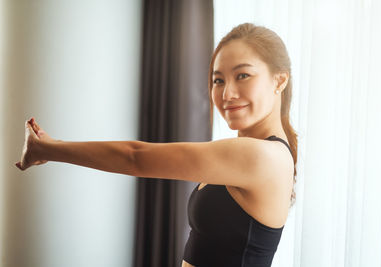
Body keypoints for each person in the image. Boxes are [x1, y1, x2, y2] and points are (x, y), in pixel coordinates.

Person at [16, 23, 298, 267]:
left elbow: (135, 158)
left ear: (279, 80)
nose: (227, 93)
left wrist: (47, 148)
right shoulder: (259, 152)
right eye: (218, 80)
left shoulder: (261, 157)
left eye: (243, 75)